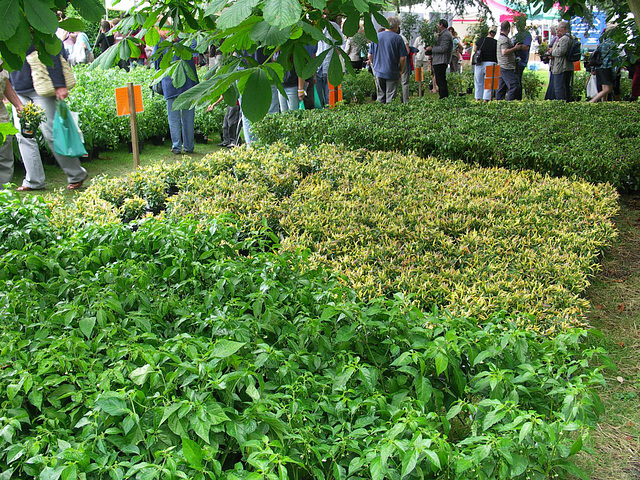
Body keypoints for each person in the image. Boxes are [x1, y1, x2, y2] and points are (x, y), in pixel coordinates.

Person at [9, 47, 88, 191]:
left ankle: (76, 175)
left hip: (42, 88)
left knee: (52, 134)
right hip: (18, 89)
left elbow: (53, 50)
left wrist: (59, 85)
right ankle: (34, 181)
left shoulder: (35, 28)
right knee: (23, 136)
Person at [153, 39, 199, 154]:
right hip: (189, 81)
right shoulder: (188, 38)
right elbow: (196, 52)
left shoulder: (161, 42)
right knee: (188, 118)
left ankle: (176, 146)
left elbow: (157, 63)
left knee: (173, 118)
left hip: (170, 81)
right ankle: (188, 146)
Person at [368, 16, 407, 104]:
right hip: (392, 71)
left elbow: (370, 55)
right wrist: (401, 70)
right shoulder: (398, 38)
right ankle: (389, 116)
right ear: (396, 27)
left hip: (378, 71)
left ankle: (379, 115)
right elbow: (403, 58)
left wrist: (374, 65)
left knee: (380, 96)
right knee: (390, 98)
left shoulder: (376, 36)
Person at [0, 61, 24, 188]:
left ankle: (4, 198)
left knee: (4, 157)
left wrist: (18, 104)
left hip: (1, 116)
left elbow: (4, 81)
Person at [316, 18, 344, 106]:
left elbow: (340, 45)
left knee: (330, 99)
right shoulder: (313, 27)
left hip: (329, 67)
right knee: (317, 100)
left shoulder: (333, 26)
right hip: (316, 68)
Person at [496, 21, 525, 101]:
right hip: (507, 66)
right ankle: (510, 103)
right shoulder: (504, 39)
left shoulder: (500, 38)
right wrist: (515, 48)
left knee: (501, 87)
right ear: (508, 29)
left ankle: (499, 103)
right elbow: (504, 52)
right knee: (514, 85)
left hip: (502, 65)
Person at [590, 26, 619, 103]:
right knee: (608, 89)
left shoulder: (602, 43)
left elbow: (594, 56)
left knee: (604, 88)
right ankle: (592, 101)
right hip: (607, 68)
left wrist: (593, 69)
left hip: (599, 67)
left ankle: (603, 104)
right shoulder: (613, 44)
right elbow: (615, 58)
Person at [425, 19, 453, 99]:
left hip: (441, 60)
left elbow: (443, 49)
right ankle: (443, 96)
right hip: (438, 60)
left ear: (441, 25)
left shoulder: (446, 35)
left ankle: (444, 97)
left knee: (441, 81)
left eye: (438, 24)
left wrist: (432, 48)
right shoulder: (442, 34)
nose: (437, 26)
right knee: (439, 80)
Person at [548, 21, 574, 101]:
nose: (557, 32)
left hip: (561, 66)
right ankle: (567, 103)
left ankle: (561, 104)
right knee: (565, 86)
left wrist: (551, 52)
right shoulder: (568, 38)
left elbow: (560, 52)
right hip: (565, 66)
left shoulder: (564, 39)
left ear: (565, 29)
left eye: (559, 30)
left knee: (559, 88)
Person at [473, 29, 497, 102]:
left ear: (488, 32)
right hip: (492, 63)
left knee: (478, 82)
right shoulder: (496, 42)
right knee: (490, 83)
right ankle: (486, 100)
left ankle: (477, 98)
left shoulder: (481, 40)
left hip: (479, 63)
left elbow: (475, 49)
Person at [514, 26, 532, 100]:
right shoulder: (517, 35)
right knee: (515, 79)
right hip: (514, 60)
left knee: (518, 79)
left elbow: (526, 47)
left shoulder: (527, 35)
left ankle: (518, 97)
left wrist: (518, 47)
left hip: (521, 60)